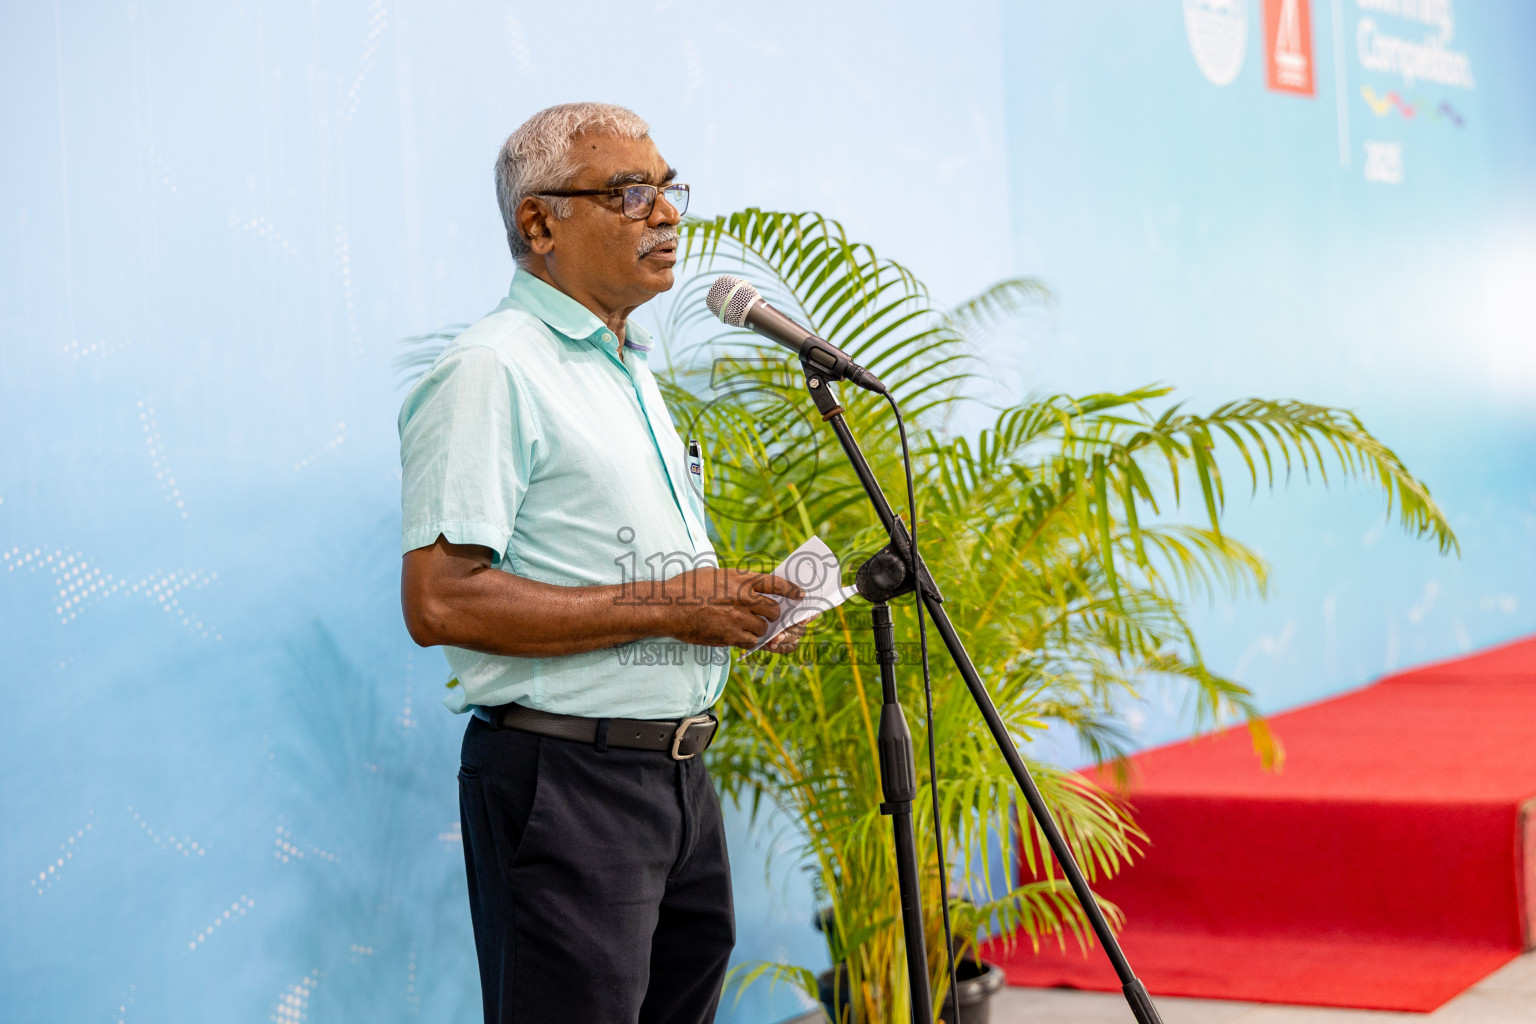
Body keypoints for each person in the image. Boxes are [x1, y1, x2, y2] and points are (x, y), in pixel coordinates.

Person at [397, 102, 808, 1024]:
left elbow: (625, 573)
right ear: (541, 223)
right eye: (630, 193)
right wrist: (670, 606)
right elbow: (440, 602)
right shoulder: (493, 369)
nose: (665, 214)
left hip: (676, 780)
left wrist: (723, 607)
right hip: (566, 785)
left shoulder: (626, 367)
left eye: (667, 189)